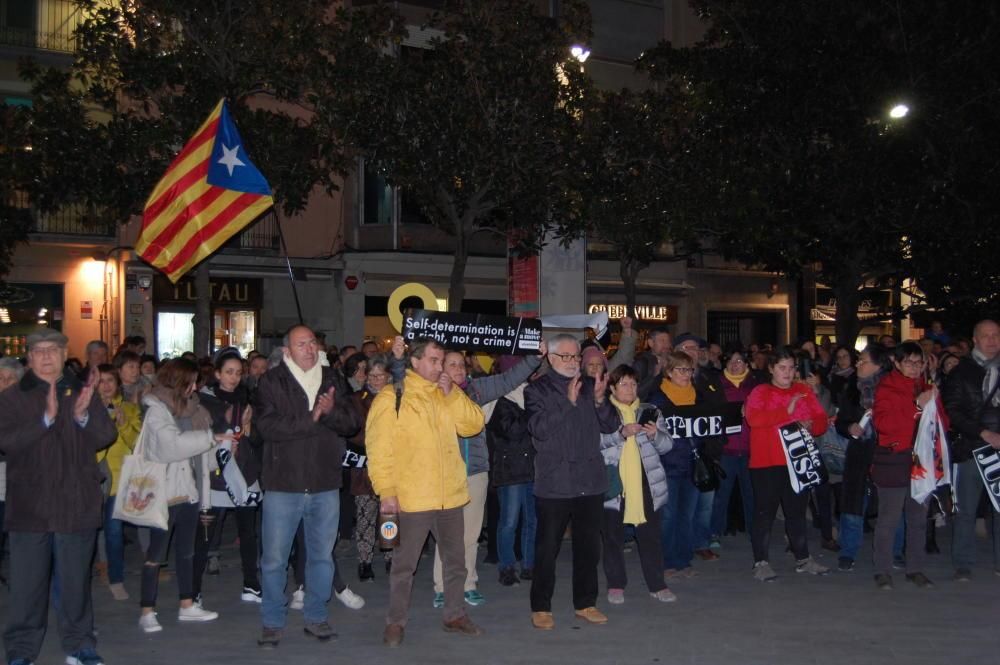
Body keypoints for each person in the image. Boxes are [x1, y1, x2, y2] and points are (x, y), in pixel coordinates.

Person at [0, 328, 116, 665]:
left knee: (75, 585)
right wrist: (45, 420)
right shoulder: (12, 397)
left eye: (54, 350)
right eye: (40, 351)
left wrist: (81, 416)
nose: (47, 356)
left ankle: (79, 645)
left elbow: (105, 435)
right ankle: (21, 651)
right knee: (26, 588)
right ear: (29, 356)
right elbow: (6, 441)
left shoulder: (82, 392)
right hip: (30, 508)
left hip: (74, 504)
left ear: (65, 355)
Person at [366, 337, 486, 647]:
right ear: (415, 362)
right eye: (434, 360)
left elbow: (473, 424)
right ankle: (395, 622)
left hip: (450, 496)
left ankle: (454, 614)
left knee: (456, 561)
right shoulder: (391, 398)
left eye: (441, 360)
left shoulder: (444, 394)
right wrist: (387, 492)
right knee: (405, 565)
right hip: (412, 498)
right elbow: (379, 451)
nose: (440, 366)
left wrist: (453, 395)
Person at [254, 325, 362, 647]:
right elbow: (266, 427)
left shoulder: (332, 379)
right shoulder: (271, 382)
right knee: (274, 558)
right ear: (287, 351)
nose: (309, 349)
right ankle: (273, 620)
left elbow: (353, 423)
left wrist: (329, 413)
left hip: (324, 483)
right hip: (283, 484)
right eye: (302, 344)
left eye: (313, 343)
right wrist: (311, 418)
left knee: (321, 556)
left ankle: (316, 616)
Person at [431, 345, 543, 608]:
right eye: (452, 364)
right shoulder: (430, 394)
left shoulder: (478, 390)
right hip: (445, 474)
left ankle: (468, 583)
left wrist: (534, 358)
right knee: (447, 535)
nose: (458, 369)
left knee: (470, 535)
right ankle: (442, 586)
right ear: (441, 368)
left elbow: (508, 379)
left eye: (461, 364)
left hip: (476, 474)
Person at [525, 333, 618, 630]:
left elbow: (610, 424)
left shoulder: (592, 386)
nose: (573, 362)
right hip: (555, 482)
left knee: (589, 548)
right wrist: (567, 403)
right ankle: (541, 606)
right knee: (547, 548)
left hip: (589, 480)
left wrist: (602, 400)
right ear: (551, 359)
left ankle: (586, 603)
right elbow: (539, 430)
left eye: (576, 356)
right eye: (566, 356)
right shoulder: (537, 390)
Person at [138, 359, 233, 633]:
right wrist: (212, 438)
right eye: (191, 381)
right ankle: (147, 609)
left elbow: (204, 451)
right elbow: (171, 447)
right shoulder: (156, 408)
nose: (196, 386)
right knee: (156, 552)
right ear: (178, 381)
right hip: (164, 490)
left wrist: (224, 445)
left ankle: (187, 604)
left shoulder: (195, 408)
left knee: (186, 551)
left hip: (190, 487)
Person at [744, 347, 830, 581]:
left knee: (797, 512)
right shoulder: (760, 391)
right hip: (767, 463)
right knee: (765, 513)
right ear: (771, 369)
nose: (788, 372)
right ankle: (760, 561)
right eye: (782, 367)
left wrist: (812, 425)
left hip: (798, 461)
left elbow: (822, 419)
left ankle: (803, 558)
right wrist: (787, 411)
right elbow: (754, 419)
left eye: (791, 367)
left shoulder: (803, 390)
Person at [600, 365, 676, 604]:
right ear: (612, 387)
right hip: (613, 484)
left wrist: (655, 435)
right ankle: (615, 584)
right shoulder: (603, 412)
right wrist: (620, 434)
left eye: (633, 384)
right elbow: (593, 444)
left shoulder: (650, 410)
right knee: (612, 537)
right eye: (623, 384)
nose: (630, 388)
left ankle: (657, 584)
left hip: (647, 483)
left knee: (650, 536)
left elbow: (668, 446)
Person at [193, 351, 263, 605]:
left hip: (243, 471)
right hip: (215, 474)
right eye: (228, 372)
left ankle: (251, 584)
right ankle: (193, 592)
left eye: (237, 372)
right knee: (206, 534)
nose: (233, 378)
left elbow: (257, 439)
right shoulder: (204, 401)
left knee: (248, 531)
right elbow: (197, 436)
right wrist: (220, 438)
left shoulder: (248, 399)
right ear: (217, 373)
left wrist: (249, 427)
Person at [870, 341, 941, 590]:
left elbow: (941, 423)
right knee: (889, 518)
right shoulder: (887, 387)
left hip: (921, 460)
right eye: (908, 362)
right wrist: (917, 407)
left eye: (918, 362)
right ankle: (883, 570)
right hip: (894, 458)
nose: (914, 368)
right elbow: (884, 424)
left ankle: (915, 568)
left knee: (918, 517)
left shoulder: (925, 386)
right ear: (896, 363)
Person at [648, 351, 723, 575]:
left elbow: (711, 426)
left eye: (689, 370)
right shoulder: (657, 399)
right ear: (669, 372)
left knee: (687, 514)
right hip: (668, 465)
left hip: (692, 464)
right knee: (668, 515)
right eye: (680, 369)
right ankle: (668, 561)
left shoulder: (699, 397)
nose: (686, 374)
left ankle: (683, 558)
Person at [943, 319, 1000, 581]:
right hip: (971, 449)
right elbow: (953, 411)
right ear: (975, 340)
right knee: (965, 509)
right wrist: (983, 432)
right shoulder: (961, 372)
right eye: (986, 336)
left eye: (996, 335)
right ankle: (962, 563)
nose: (992, 340)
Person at [833, 344, 892, 571]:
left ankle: (895, 551)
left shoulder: (892, 389)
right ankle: (848, 550)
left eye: (863, 360)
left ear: (879, 365)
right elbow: (840, 422)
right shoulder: (851, 388)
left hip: (886, 453)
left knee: (890, 504)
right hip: (859, 452)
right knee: (853, 503)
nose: (858, 364)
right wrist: (850, 427)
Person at [672, 333, 726, 560]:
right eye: (687, 347)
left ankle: (701, 542)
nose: (693, 352)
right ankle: (679, 545)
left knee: (705, 501)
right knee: (681, 506)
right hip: (680, 451)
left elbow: (720, 410)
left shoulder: (709, 378)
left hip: (707, 449)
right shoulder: (668, 381)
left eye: (695, 348)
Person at [487, 356, 539, 586]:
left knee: (532, 520)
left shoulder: (532, 395)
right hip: (510, 470)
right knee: (509, 521)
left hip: (533, 468)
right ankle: (506, 566)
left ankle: (529, 565)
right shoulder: (499, 400)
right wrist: (532, 412)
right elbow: (514, 431)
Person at [95, 364, 142, 601]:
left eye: (110, 381)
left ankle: (116, 579)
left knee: (113, 532)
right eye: (101, 381)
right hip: (91, 479)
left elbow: (138, 444)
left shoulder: (130, 409)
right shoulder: (86, 409)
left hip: (119, 479)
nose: (106, 386)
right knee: (88, 532)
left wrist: (123, 423)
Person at [346, 354, 394, 581]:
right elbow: (353, 431)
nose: (375, 380)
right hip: (364, 467)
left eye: (380, 376)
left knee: (389, 515)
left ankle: (390, 556)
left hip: (391, 467)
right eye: (371, 376)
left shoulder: (396, 398)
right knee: (365, 517)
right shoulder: (357, 399)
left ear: (388, 377)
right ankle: (364, 561)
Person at [711, 348, 760, 545]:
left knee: (751, 493)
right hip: (727, 448)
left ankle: (754, 531)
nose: (735, 364)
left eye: (739, 360)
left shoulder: (755, 384)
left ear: (747, 364)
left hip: (750, 448)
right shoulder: (717, 384)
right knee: (721, 493)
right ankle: (715, 532)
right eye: (731, 360)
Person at [0, 358, 26, 589]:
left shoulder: (25, 407)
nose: (5, 383)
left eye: (11, 379)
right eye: (1, 378)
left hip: (18, 478)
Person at [633, 327, 672, 401]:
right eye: (662, 341)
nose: (666, 345)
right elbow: (634, 393)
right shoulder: (642, 363)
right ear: (651, 343)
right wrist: (654, 376)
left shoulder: (674, 362)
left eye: (668, 341)